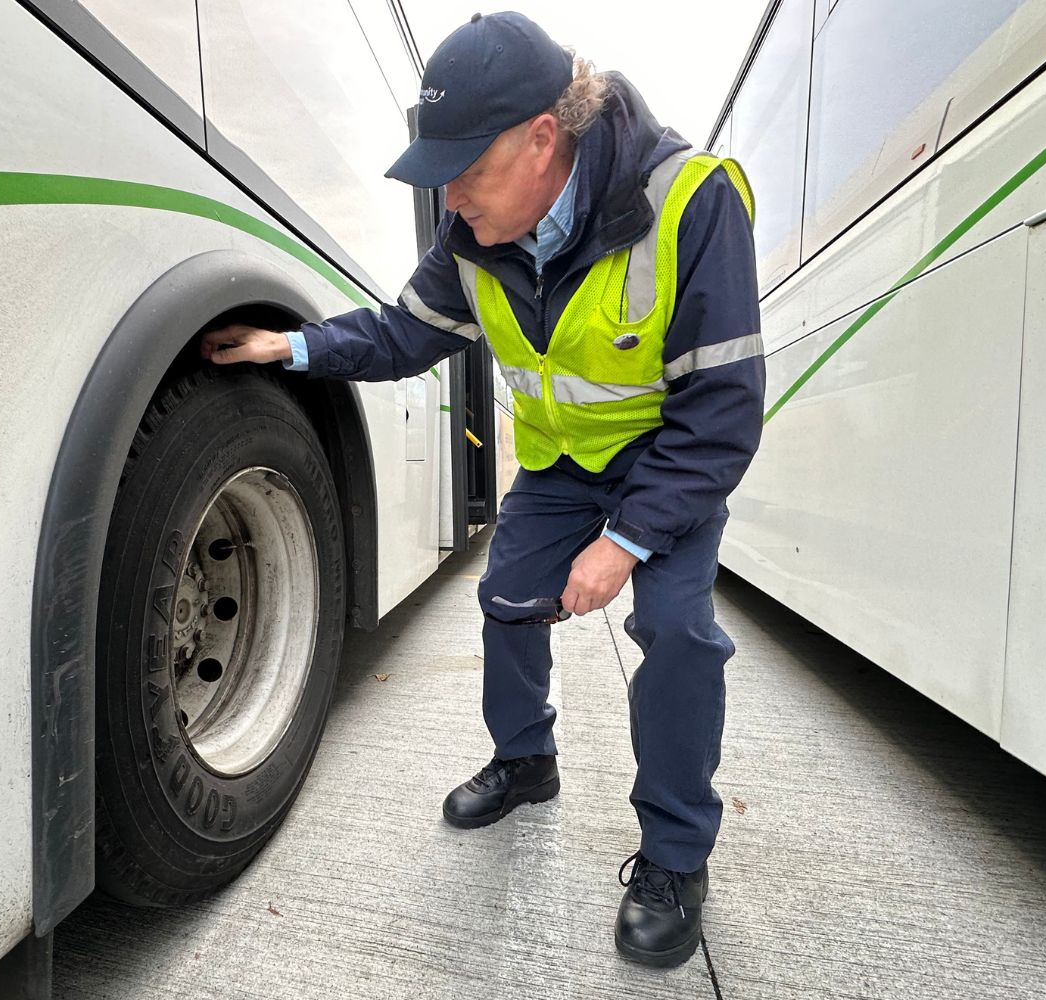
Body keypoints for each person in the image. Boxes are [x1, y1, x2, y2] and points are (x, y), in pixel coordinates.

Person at [200, 11, 762, 969]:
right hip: (557, 466)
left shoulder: (688, 200)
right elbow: (398, 335)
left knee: (675, 631)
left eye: (466, 168)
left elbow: (723, 410)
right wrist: (290, 346)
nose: (450, 197)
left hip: (667, 459)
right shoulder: (471, 240)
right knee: (506, 599)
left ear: (544, 135)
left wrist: (624, 543)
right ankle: (527, 762)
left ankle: (674, 858)